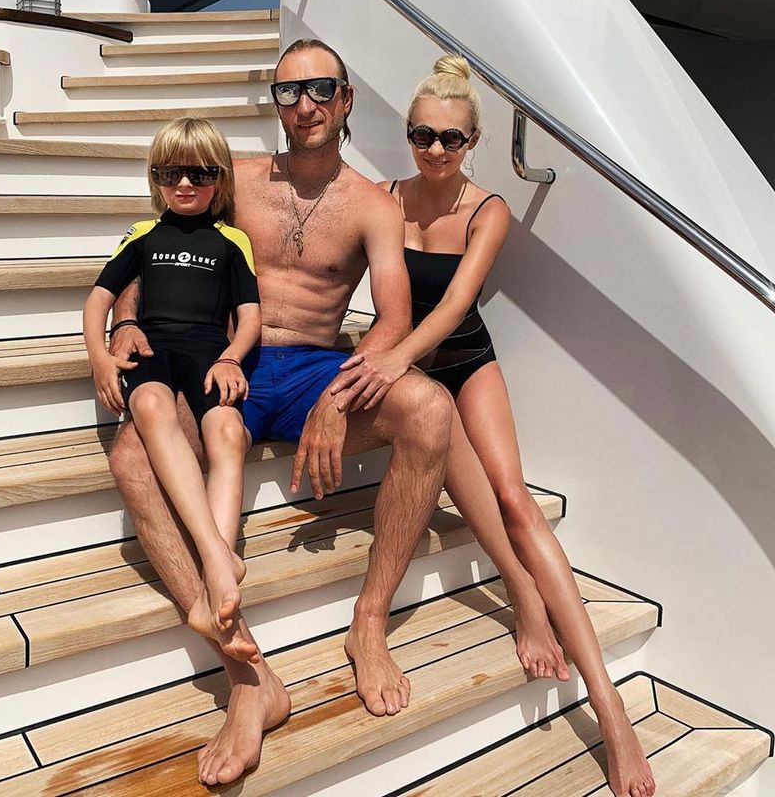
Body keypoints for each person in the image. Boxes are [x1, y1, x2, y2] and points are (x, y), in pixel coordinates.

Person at [103, 40, 561, 787]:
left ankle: (369, 623)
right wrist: (125, 319)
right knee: (131, 457)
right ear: (276, 104)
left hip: (314, 367)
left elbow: (394, 319)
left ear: (345, 99)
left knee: (428, 407)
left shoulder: (372, 205)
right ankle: (247, 676)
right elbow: (158, 245)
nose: (305, 105)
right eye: (289, 92)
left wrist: (336, 396)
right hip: (226, 364)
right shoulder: (236, 179)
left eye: (321, 89)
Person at [332, 54, 656, 797]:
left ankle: (610, 712)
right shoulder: (382, 198)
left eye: (451, 138)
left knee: (515, 500)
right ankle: (524, 597)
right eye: (422, 135)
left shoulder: (489, 210)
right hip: (413, 377)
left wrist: (393, 359)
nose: (435, 149)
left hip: (464, 358)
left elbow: (454, 308)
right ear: (407, 134)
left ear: (473, 140)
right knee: (444, 437)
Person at [83, 117, 261, 662]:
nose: (184, 184)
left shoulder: (232, 240)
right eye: (170, 173)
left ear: (219, 179)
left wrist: (232, 357)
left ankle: (213, 576)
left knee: (226, 431)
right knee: (151, 403)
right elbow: (98, 301)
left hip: (209, 351)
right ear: (155, 178)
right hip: (153, 348)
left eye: (199, 174)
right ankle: (218, 557)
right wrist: (100, 358)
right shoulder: (142, 235)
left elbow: (250, 316)